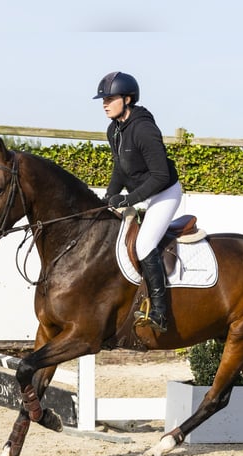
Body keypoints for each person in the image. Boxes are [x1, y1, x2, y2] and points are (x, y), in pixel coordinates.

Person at [93, 71, 182, 333]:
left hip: (163, 193)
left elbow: (160, 176)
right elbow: (120, 169)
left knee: (143, 245)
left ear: (128, 99)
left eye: (110, 98)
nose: (104, 103)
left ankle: (159, 312)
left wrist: (129, 199)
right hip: (142, 194)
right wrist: (109, 197)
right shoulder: (114, 130)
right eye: (103, 99)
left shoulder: (144, 129)